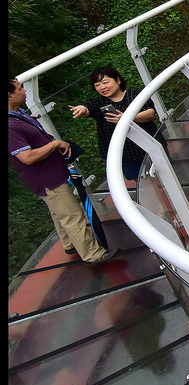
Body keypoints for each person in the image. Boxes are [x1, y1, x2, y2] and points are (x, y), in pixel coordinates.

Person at [9, 78, 119, 265]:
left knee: (57, 211)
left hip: (49, 174)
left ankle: (69, 244)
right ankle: (93, 254)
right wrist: (55, 144)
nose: (25, 91)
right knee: (72, 215)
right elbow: (26, 158)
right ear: (9, 95)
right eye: (20, 88)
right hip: (46, 178)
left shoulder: (18, 113)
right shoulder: (10, 126)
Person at [69, 66, 163, 186]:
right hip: (126, 154)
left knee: (165, 175)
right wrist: (81, 109)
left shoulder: (135, 95)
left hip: (149, 145)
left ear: (118, 80)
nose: (102, 87)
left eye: (105, 82)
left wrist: (126, 118)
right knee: (144, 184)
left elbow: (150, 113)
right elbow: (88, 108)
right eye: (97, 85)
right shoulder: (100, 103)